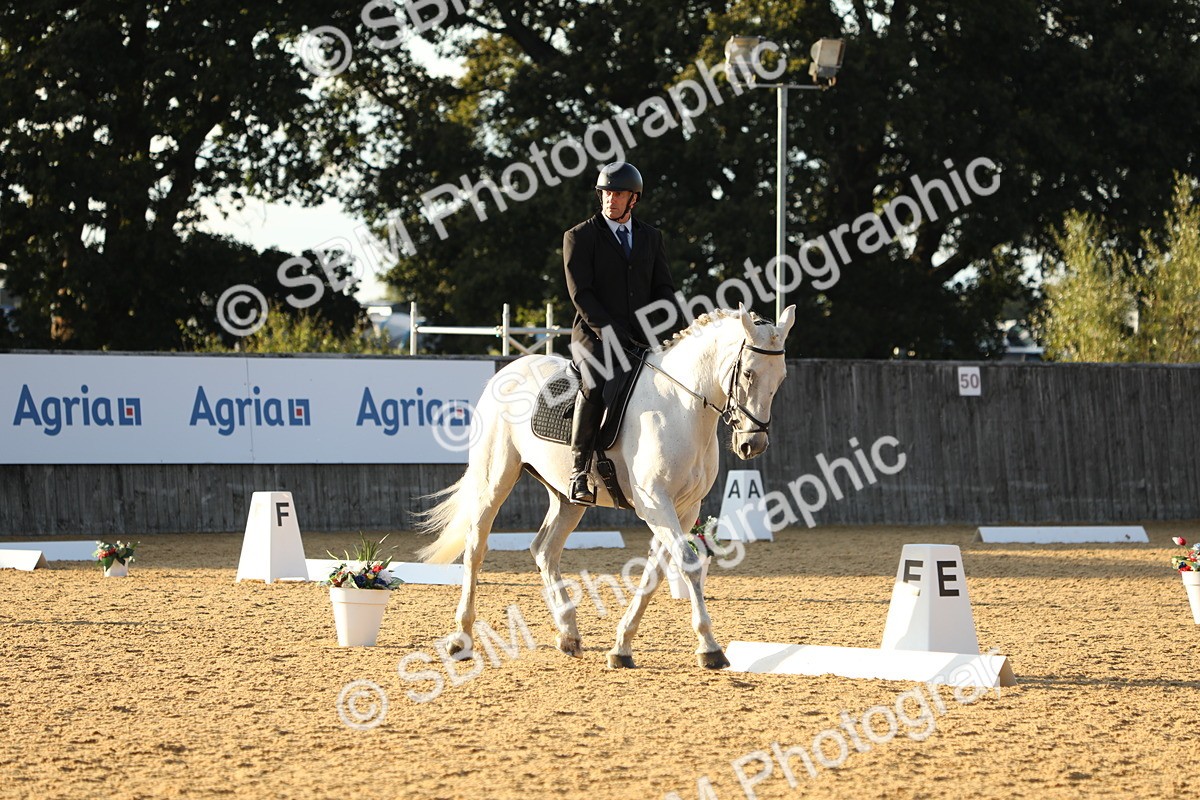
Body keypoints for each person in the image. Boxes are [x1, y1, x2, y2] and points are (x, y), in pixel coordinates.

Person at [562, 161, 681, 505]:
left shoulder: (651, 237)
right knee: (595, 382)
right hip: (595, 335)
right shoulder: (579, 236)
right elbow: (581, 294)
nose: (610, 200)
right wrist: (610, 332)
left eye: (617, 194)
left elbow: (663, 289)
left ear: (634, 199)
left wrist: (675, 328)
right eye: (605, 193)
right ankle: (579, 471)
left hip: (640, 337)